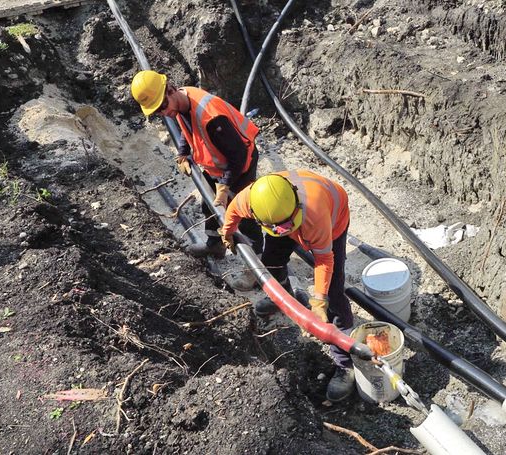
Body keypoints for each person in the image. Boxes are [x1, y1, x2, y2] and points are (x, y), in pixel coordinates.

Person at [218, 170, 356, 402]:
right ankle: (281, 297)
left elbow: (324, 260)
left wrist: (319, 303)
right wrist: (228, 232)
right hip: (282, 218)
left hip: (333, 216)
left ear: (294, 203)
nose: (288, 231)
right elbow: (232, 210)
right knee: (271, 263)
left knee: (333, 291)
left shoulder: (316, 214)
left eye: (290, 226)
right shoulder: (253, 201)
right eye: (281, 228)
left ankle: (345, 363)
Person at [130, 70, 262, 257]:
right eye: (158, 110)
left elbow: (238, 155)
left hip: (240, 165)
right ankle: (215, 246)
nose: (165, 112)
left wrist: (224, 186)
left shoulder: (211, 117)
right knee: (209, 204)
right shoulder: (182, 102)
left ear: (170, 89)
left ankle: (258, 266)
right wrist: (183, 153)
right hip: (217, 166)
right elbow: (187, 127)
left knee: (245, 214)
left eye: (164, 105)